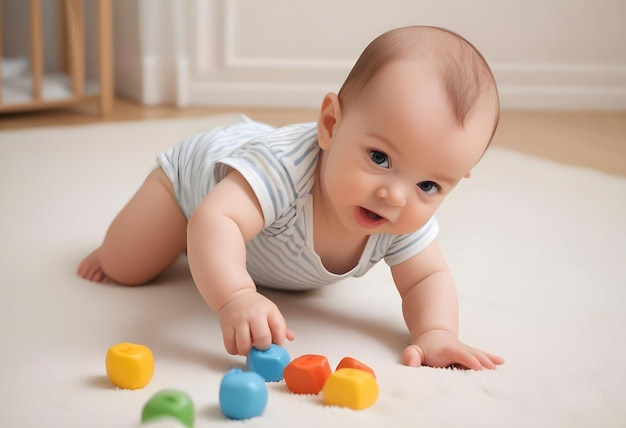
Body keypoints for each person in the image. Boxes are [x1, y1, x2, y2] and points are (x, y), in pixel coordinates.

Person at [78, 25, 504, 370]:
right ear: (331, 125)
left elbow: (427, 280)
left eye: (428, 186)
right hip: (192, 188)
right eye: (379, 157)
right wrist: (236, 296)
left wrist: (437, 334)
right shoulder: (283, 169)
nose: (393, 195)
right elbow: (214, 218)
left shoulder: (404, 217)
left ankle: (215, 257)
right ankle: (182, 248)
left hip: (262, 241)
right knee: (125, 265)